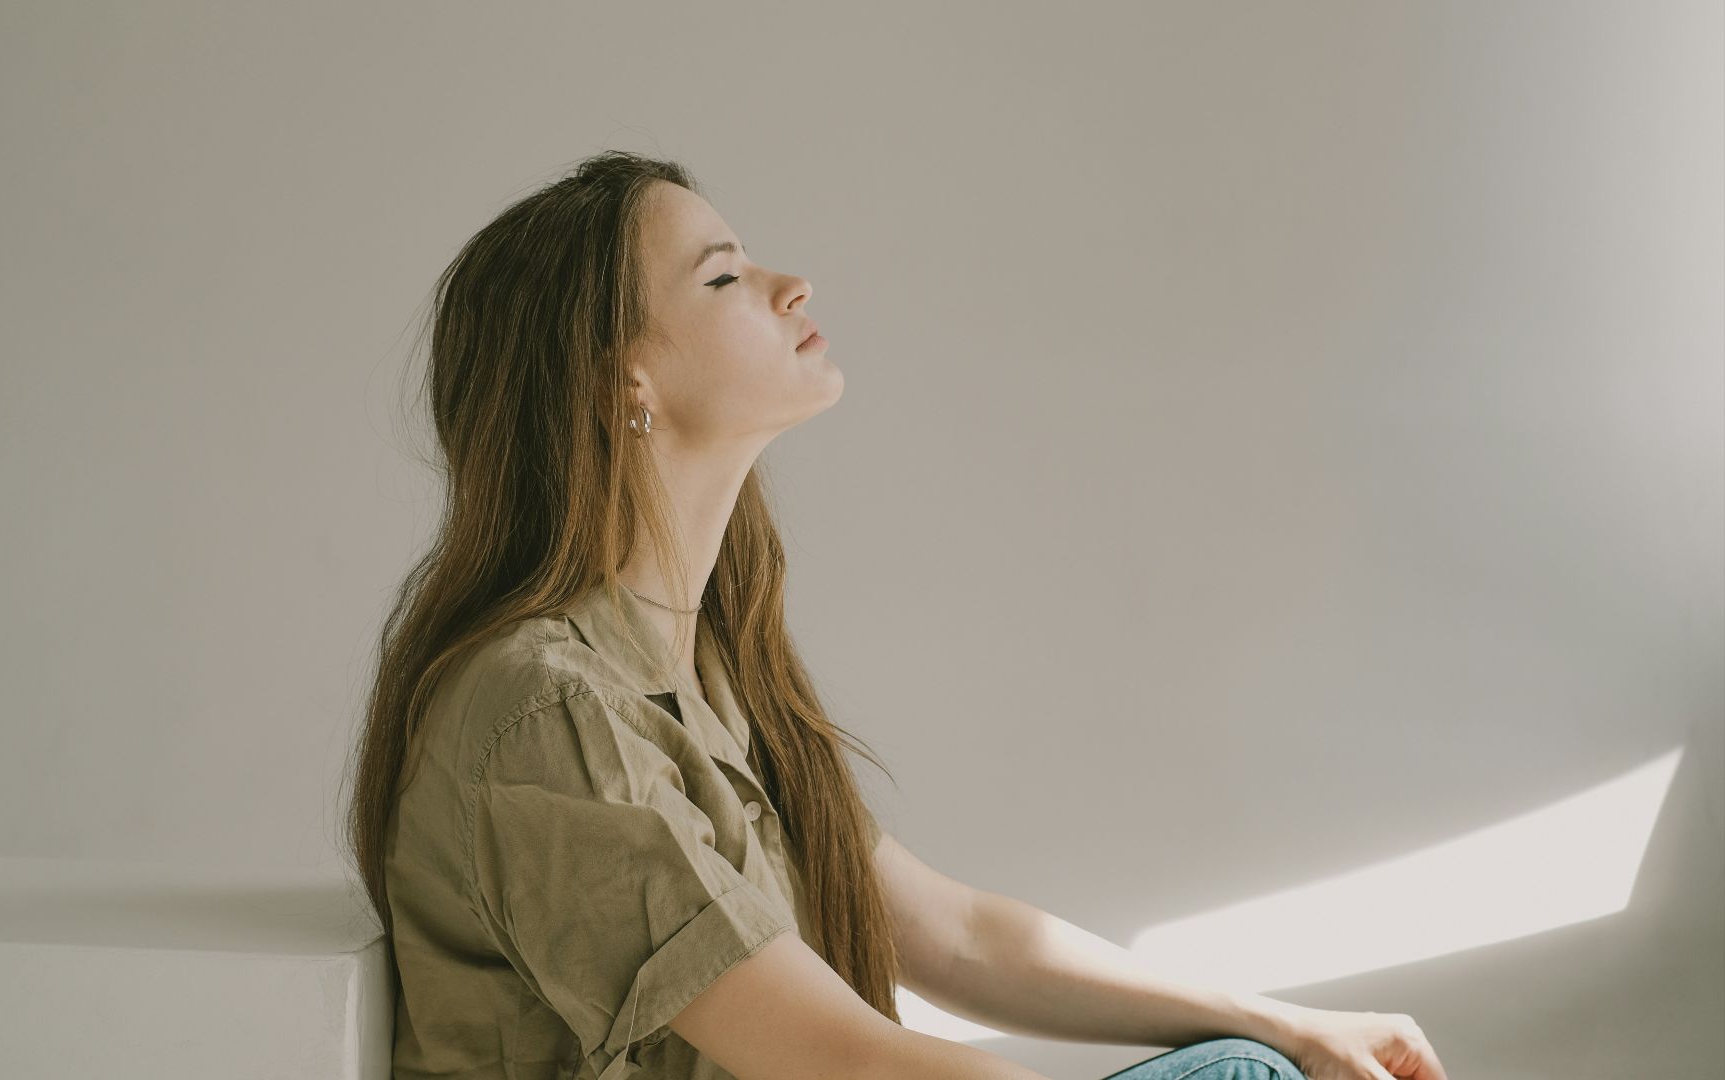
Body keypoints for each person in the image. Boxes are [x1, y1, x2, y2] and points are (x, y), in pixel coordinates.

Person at [344, 151, 1449, 1080]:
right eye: (725, 278)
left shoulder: (704, 666)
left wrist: (1281, 1018)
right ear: (618, 381)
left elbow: (955, 935)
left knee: (1253, 1067)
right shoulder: (543, 710)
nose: (793, 286)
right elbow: (852, 1064)